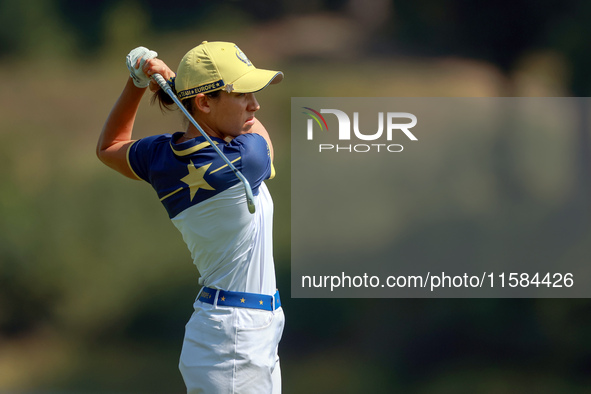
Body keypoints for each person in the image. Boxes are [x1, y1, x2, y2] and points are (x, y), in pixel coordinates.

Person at [96, 41, 285, 394]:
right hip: (235, 338)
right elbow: (259, 133)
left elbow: (109, 147)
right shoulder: (242, 161)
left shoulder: (161, 156)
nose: (254, 105)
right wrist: (170, 85)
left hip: (239, 331)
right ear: (204, 102)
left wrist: (137, 83)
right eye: (241, 93)